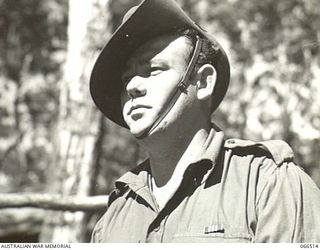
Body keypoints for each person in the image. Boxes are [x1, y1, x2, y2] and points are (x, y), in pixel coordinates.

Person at [89, 0, 320, 243]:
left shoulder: (268, 184)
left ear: (203, 82)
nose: (133, 86)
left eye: (154, 68)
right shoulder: (114, 216)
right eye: (127, 77)